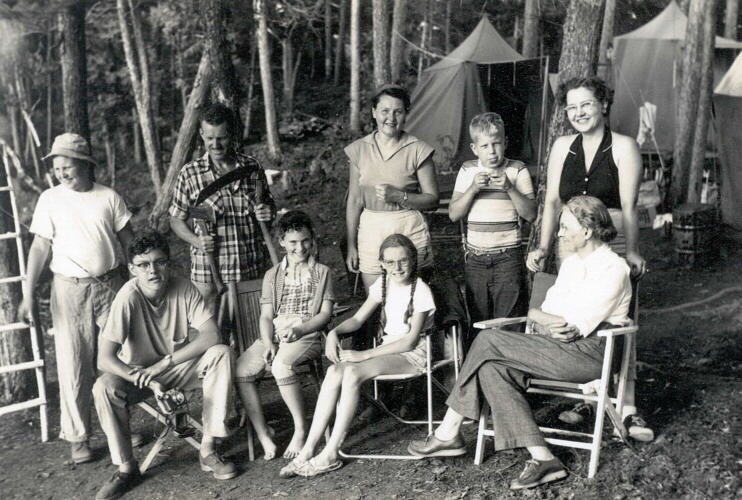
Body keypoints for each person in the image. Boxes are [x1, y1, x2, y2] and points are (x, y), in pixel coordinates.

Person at [408, 196, 632, 490]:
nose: (559, 233)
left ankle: (449, 430)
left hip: (589, 355)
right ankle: (544, 458)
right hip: (553, 348)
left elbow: (574, 327)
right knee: (491, 370)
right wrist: (545, 318)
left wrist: (550, 320)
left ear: (587, 230)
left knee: (487, 340)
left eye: (565, 227)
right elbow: (540, 312)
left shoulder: (614, 268)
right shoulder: (573, 264)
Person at [525, 76, 651, 439]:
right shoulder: (563, 146)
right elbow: (551, 202)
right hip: (572, 243)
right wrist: (544, 247)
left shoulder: (624, 147)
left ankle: (627, 407)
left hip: (610, 238)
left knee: (616, 320)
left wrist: (631, 251)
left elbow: (628, 205)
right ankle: (590, 397)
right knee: (579, 316)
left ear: (603, 105)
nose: (579, 113)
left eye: (586, 104)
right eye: (572, 107)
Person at [17, 132, 133, 464]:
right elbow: (39, 248)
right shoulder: (49, 200)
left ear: (83, 164)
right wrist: (27, 294)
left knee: (121, 356)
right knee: (73, 363)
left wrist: (137, 281)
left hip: (111, 284)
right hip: (69, 290)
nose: (61, 173)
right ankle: (79, 437)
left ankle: (120, 431)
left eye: (67, 166)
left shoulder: (108, 197)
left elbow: (129, 241)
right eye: (57, 167)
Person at [93, 232, 237, 500]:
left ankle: (208, 448)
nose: (153, 271)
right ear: (133, 269)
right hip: (139, 375)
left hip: (176, 367)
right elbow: (105, 359)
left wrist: (164, 365)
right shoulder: (128, 296)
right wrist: (147, 378)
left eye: (159, 262)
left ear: (169, 263)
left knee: (221, 353)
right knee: (104, 386)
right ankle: (126, 468)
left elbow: (211, 335)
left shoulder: (184, 287)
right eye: (144, 265)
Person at [279, 234, 436, 478]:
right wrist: (334, 332)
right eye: (391, 262)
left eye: (404, 261)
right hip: (386, 351)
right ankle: (307, 450)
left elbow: (410, 340)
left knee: (351, 370)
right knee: (334, 371)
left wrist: (363, 355)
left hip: (413, 354)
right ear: (382, 264)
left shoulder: (421, 290)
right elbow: (357, 319)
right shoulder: (383, 284)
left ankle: (331, 453)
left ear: (413, 261)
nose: (398, 268)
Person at [235, 211, 335, 460]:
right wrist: (268, 342)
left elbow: (324, 315)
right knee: (241, 370)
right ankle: (262, 432)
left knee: (281, 365)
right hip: (276, 334)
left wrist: (301, 329)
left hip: (306, 334)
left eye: (304, 241)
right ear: (281, 242)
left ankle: (301, 429)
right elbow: (266, 316)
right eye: (293, 242)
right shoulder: (273, 275)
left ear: (312, 240)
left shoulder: (322, 272)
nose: (299, 247)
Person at [170, 103, 274, 316]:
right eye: (209, 138)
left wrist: (267, 212)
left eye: (221, 138)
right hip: (209, 274)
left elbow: (267, 207)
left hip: (250, 267)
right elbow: (176, 220)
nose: (215, 144)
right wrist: (196, 241)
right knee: (212, 338)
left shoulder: (251, 169)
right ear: (201, 134)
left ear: (232, 134)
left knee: (253, 334)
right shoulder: (190, 174)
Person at [448, 112, 536, 345]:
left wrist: (509, 187)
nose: (492, 151)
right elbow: (454, 213)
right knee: (479, 324)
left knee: (510, 324)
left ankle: (510, 375)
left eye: (497, 144)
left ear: (505, 143)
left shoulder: (517, 170)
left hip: (508, 257)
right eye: (485, 146)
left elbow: (530, 214)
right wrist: (473, 190)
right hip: (476, 260)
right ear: (474, 148)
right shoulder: (468, 170)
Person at [344, 85, 439, 292]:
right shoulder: (359, 149)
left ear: (406, 114)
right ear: (374, 112)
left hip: (408, 224)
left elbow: (432, 200)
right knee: (376, 298)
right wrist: (352, 245)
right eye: (385, 111)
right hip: (371, 226)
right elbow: (354, 200)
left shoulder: (418, 149)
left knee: (414, 296)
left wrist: (400, 196)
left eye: (398, 111)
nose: (391, 117)